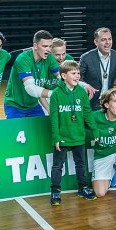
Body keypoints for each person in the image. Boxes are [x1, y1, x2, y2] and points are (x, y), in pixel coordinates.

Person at [49, 60, 96, 206]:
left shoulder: (81, 92)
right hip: (62, 137)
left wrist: (94, 129)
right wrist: (56, 137)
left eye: (78, 73)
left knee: (81, 164)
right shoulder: (56, 94)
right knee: (58, 165)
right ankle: (55, 191)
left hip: (78, 135)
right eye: (73, 73)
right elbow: (54, 118)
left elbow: (87, 113)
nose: (77, 76)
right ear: (63, 76)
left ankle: (83, 187)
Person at [3, 30, 60, 118]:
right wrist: (55, 94)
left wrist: (83, 86)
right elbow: (30, 88)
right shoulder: (23, 59)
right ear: (35, 46)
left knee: (41, 130)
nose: (48, 50)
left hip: (33, 105)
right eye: (45, 46)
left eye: (50, 46)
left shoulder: (49, 58)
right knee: (15, 131)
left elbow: (62, 77)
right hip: (15, 106)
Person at [79, 28, 116, 111]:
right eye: (103, 40)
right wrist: (85, 86)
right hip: (91, 101)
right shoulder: (86, 58)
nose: (107, 43)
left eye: (109, 39)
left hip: (109, 101)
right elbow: (78, 78)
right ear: (96, 42)